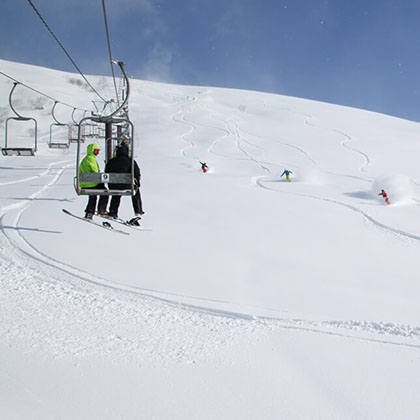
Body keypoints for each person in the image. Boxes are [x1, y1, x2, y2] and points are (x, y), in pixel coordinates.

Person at [101, 145, 144, 224]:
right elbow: (136, 173)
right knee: (135, 191)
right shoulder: (130, 161)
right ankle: (138, 210)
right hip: (125, 185)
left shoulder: (111, 161)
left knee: (116, 194)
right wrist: (138, 183)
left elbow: (106, 172)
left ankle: (113, 211)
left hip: (113, 185)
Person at [79, 143, 108, 219]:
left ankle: (89, 212)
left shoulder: (86, 159)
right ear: (91, 151)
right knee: (105, 191)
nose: (97, 152)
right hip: (91, 184)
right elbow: (95, 172)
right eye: (95, 151)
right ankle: (101, 209)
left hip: (84, 184)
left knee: (93, 196)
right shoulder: (91, 159)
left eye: (97, 151)